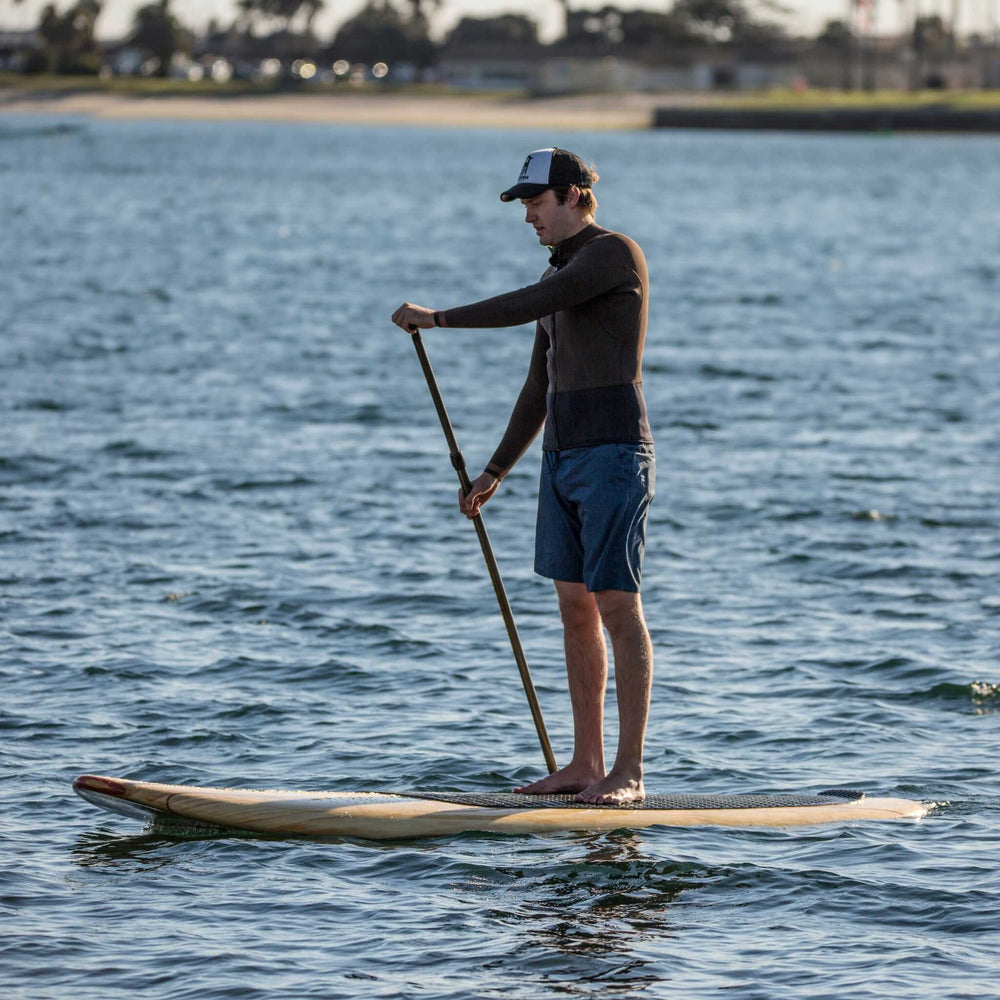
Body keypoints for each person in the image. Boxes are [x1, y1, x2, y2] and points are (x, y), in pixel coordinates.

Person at [391, 147, 654, 805]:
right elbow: (538, 384)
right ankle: (584, 764)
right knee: (574, 609)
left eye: (536, 203)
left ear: (572, 196)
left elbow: (524, 304)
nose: (529, 216)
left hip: (613, 455)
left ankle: (629, 772)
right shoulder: (562, 272)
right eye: (525, 205)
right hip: (560, 458)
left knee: (617, 606)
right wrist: (495, 470)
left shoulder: (611, 255)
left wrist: (439, 317)